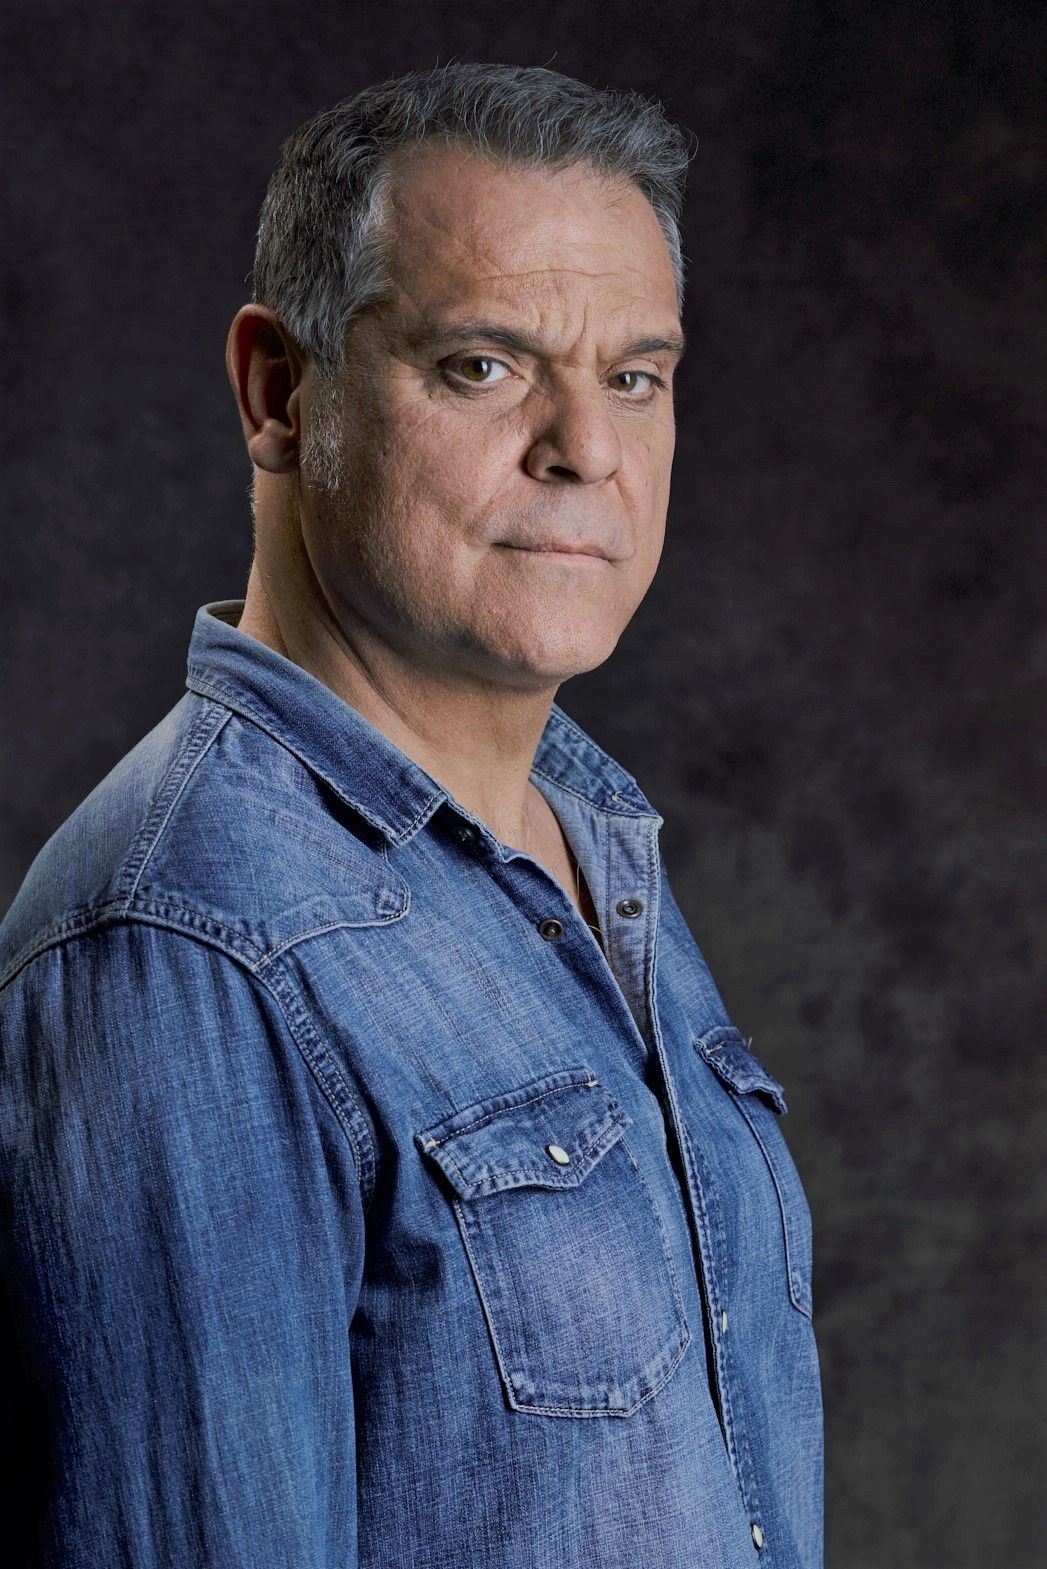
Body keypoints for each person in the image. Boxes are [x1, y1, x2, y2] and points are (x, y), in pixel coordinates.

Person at [0, 62, 822, 1568]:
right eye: (482, 365)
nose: (584, 449)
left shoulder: (583, 845)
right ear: (278, 391)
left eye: (634, 377)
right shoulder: (185, 947)